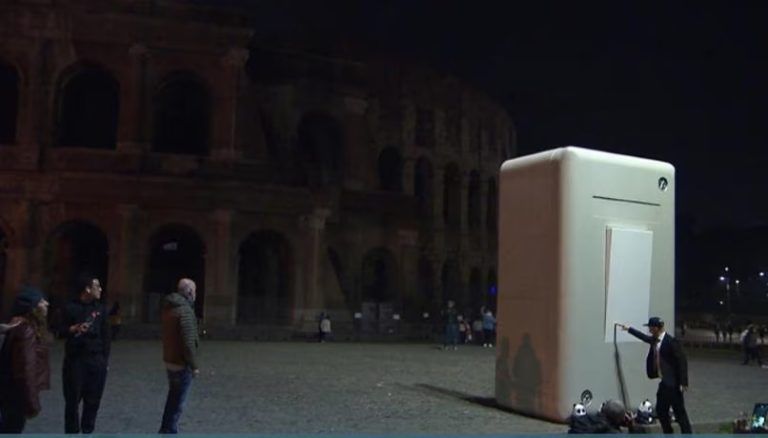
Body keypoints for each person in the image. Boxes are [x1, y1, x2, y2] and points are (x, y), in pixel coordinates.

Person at [619, 317, 692, 434]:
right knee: (661, 411)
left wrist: (683, 382)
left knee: (680, 413)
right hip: (664, 383)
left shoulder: (671, 342)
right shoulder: (655, 340)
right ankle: (668, 433)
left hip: (673, 385)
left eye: (650, 328)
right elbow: (644, 337)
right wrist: (629, 329)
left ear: (657, 328)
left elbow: (682, 361)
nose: (649, 330)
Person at [60, 276, 110, 434]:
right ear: (87, 289)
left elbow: (106, 337)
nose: (100, 289)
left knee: (93, 401)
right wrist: (72, 329)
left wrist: (104, 361)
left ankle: (88, 431)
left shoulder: (101, 309)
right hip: (76, 360)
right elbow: (57, 330)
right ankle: (72, 433)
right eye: (97, 286)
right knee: (72, 401)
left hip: (96, 360)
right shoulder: (69, 307)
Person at [0, 287, 51, 433]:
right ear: (32, 308)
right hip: (15, 396)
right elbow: (26, 370)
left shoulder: (21, 326)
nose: (47, 303)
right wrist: (32, 402)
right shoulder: (27, 330)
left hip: (10, 394)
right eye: (41, 301)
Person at [159, 278, 200, 434]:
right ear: (189, 292)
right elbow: (188, 343)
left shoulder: (169, 308)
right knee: (177, 404)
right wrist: (194, 366)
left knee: (173, 400)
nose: (195, 295)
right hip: (181, 363)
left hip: (170, 360)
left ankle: (165, 429)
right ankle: (169, 431)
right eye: (195, 291)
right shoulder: (185, 312)